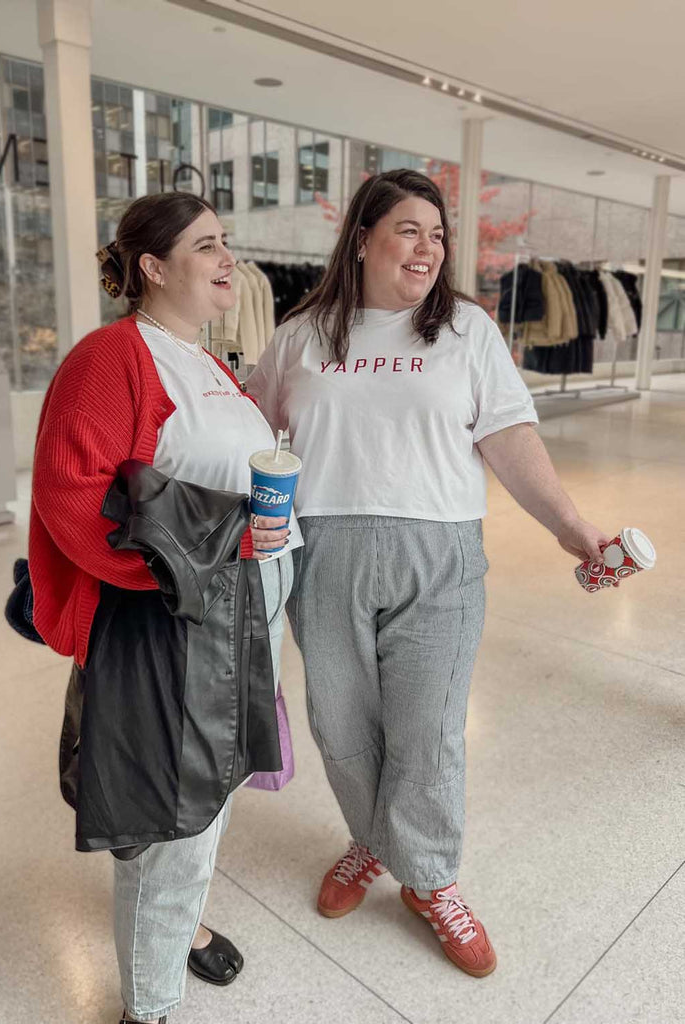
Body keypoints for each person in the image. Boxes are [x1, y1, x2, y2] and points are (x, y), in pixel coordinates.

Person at [247, 169, 611, 979]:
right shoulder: (305, 332)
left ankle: (431, 878)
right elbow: (251, 425)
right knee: (340, 720)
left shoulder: (466, 331)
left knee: (430, 726)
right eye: (409, 230)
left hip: (439, 553)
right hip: (325, 548)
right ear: (365, 238)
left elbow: (510, 438)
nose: (427, 247)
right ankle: (372, 843)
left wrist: (570, 526)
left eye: (438, 234)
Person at [29, 191, 301, 1023]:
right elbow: (69, 500)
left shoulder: (207, 361)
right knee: (171, 820)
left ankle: (179, 928)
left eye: (228, 243)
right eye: (208, 245)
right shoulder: (112, 357)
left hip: (239, 618)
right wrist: (169, 577)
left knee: (204, 801)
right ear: (152, 267)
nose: (229, 260)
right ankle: (148, 1008)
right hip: (178, 625)